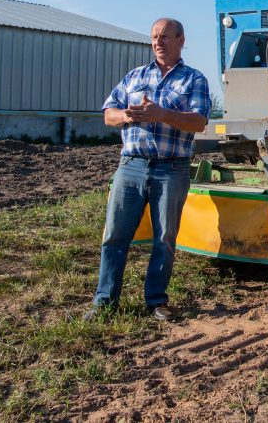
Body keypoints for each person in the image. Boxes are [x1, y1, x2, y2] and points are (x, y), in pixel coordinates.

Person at [83, 18, 211, 322]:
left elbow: (198, 121)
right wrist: (126, 115)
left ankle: (155, 301)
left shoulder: (194, 79)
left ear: (181, 40)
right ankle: (105, 301)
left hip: (171, 168)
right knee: (115, 235)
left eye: (165, 36)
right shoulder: (134, 76)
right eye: (154, 37)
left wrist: (161, 114)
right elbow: (108, 114)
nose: (158, 42)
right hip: (131, 166)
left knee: (164, 238)